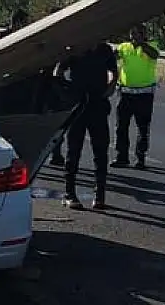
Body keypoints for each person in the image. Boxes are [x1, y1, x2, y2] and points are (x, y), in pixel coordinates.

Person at [55, 41, 118, 210]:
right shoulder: (76, 48)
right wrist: (67, 93)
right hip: (79, 106)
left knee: (101, 150)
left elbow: (113, 71)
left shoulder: (104, 50)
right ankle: (69, 193)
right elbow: (58, 71)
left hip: (98, 104)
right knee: (73, 150)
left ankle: (100, 195)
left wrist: (110, 86)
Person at [111, 24, 160, 170]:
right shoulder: (124, 47)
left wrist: (142, 44)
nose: (133, 37)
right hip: (126, 93)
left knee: (143, 128)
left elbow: (154, 55)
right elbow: (113, 56)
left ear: (144, 35)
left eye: (137, 34)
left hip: (144, 94)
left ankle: (140, 158)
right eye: (132, 33)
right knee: (121, 127)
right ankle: (122, 157)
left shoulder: (151, 46)